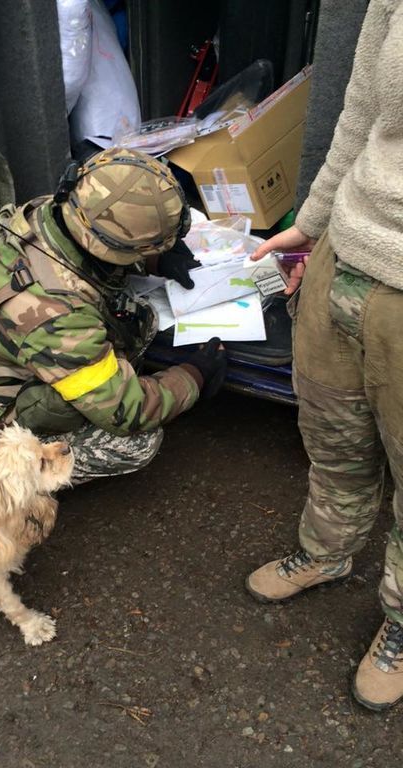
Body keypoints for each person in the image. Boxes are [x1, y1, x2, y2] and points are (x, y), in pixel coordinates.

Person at [245, 0, 403, 711]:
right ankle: (329, 552)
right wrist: (309, 224)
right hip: (347, 251)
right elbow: (362, 110)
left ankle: (401, 619)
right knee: (332, 435)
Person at [0, 147, 226, 484]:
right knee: (137, 442)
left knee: (138, 319)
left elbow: (91, 250)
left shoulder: (59, 210)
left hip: (14, 354)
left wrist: (154, 260)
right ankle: (6, 474)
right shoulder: (58, 317)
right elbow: (126, 411)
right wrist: (193, 377)